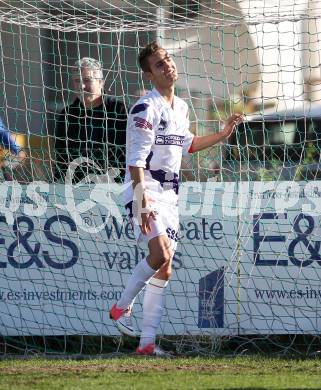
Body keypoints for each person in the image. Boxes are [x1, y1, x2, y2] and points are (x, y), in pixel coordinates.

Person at [109, 42, 243, 356]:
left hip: (170, 195)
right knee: (160, 253)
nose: (167, 66)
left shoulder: (180, 106)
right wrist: (141, 201)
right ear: (149, 75)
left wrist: (223, 133)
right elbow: (136, 160)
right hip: (146, 189)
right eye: (159, 64)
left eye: (167, 59)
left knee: (165, 267)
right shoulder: (145, 108)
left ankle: (146, 344)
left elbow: (189, 145)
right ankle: (120, 308)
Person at [54, 57, 127, 183]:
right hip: (76, 188)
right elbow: (61, 157)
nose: (82, 86)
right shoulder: (67, 115)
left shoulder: (120, 111)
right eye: (77, 81)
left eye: (87, 80)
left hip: (115, 187)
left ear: (101, 82)